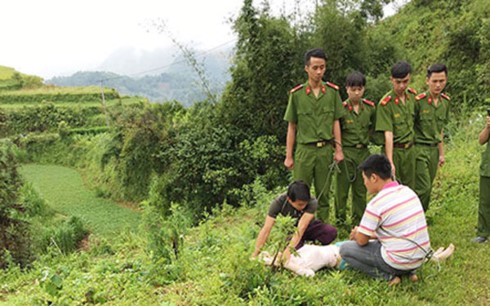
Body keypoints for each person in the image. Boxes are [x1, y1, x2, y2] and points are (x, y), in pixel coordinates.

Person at [339, 154, 431, 286]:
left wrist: (358, 233)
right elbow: (395, 232)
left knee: (345, 250)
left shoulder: (376, 203)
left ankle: (388, 276)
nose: (364, 183)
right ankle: (410, 273)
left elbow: (361, 241)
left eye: (364, 179)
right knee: (393, 244)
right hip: (420, 257)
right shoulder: (408, 191)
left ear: (374, 178)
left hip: (397, 260)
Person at [284, 48, 345, 222]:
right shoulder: (297, 95)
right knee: (300, 194)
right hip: (304, 151)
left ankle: (322, 229)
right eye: (315, 68)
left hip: (325, 150)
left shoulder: (332, 93)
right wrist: (289, 156)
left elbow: (335, 122)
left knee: (324, 193)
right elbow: (292, 126)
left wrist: (338, 149)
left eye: (322, 67)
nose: (319, 72)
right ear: (307, 68)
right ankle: (298, 232)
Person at [251, 180, 337, 261]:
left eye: (305, 204)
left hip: (309, 227)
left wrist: (288, 250)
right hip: (292, 231)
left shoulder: (312, 201)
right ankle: (302, 247)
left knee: (330, 232)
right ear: (289, 200)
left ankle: (311, 246)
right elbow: (266, 229)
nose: (303, 207)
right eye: (300, 204)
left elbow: (301, 227)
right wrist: (255, 254)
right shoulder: (278, 202)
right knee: (293, 251)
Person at [335, 71, 376, 228]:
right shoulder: (342, 109)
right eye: (353, 89)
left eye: (359, 89)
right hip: (346, 152)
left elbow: (373, 129)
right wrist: (337, 151)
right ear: (347, 89)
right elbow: (335, 130)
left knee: (361, 189)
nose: (356, 93)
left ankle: (358, 221)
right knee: (342, 189)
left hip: (364, 152)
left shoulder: (370, 108)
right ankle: (340, 221)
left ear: (363, 89)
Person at [414, 64, 451, 212]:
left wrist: (441, 153)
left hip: (434, 150)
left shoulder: (445, 102)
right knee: (423, 187)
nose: (438, 85)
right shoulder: (418, 101)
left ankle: (419, 217)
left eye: (441, 81)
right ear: (427, 81)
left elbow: (439, 129)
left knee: (428, 186)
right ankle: (416, 217)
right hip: (419, 149)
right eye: (434, 81)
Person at [375, 61, 417, 189]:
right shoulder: (386, 104)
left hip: (410, 151)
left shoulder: (412, 97)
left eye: (405, 81)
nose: (402, 86)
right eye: (398, 82)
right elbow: (388, 134)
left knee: (410, 189)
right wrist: (390, 161)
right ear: (391, 80)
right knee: (393, 189)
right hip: (395, 152)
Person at [473, 113, 490, 243]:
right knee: (485, 201)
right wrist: (488, 127)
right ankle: (483, 232)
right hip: (488, 166)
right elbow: (481, 140)